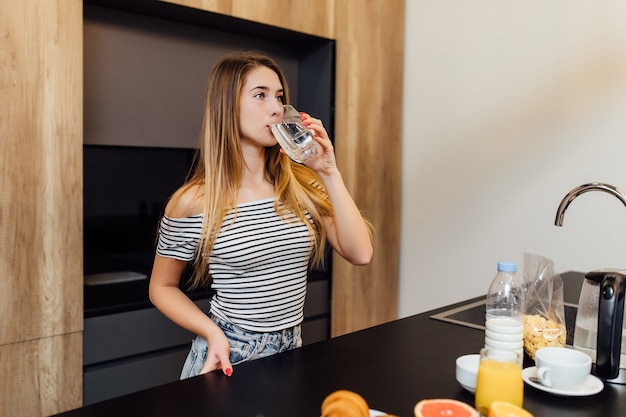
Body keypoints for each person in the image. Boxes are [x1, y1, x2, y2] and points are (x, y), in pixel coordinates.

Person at [148, 51, 373, 379]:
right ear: (228, 107)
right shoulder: (193, 202)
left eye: (280, 97)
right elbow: (162, 286)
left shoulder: (302, 186)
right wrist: (211, 332)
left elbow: (361, 253)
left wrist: (329, 172)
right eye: (260, 95)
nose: (276, 108)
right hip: (229, 353)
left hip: (292, 349)